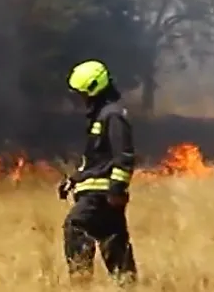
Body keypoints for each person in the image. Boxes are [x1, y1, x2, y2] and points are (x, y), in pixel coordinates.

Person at [58, 59, 138, 284]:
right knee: (114, 242)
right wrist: (73, 180)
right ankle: (128, 284)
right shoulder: (101, 116)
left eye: (82, 93)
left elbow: (125, 156)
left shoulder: (113, 116)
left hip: (102, 195)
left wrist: (116, 189)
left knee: (76, 225)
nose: (80, 98)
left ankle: (81, 281)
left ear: (94, 89)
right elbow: (94, 160)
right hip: (100, 193)